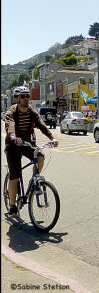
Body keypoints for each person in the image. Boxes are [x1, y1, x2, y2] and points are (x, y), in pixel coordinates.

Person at [4, 86, 59, 218]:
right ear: (17, 98)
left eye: (27, 96)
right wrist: (12, 136)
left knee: (40, 157)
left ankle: (34, 182)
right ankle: (12, 206)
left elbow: (41, 124)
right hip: (13, 145)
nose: (26, 99)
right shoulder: (12, 111)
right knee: (15, 176)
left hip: (28, 144)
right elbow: (10, 125)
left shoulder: (31, 111)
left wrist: (52, 138)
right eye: (22, 96)